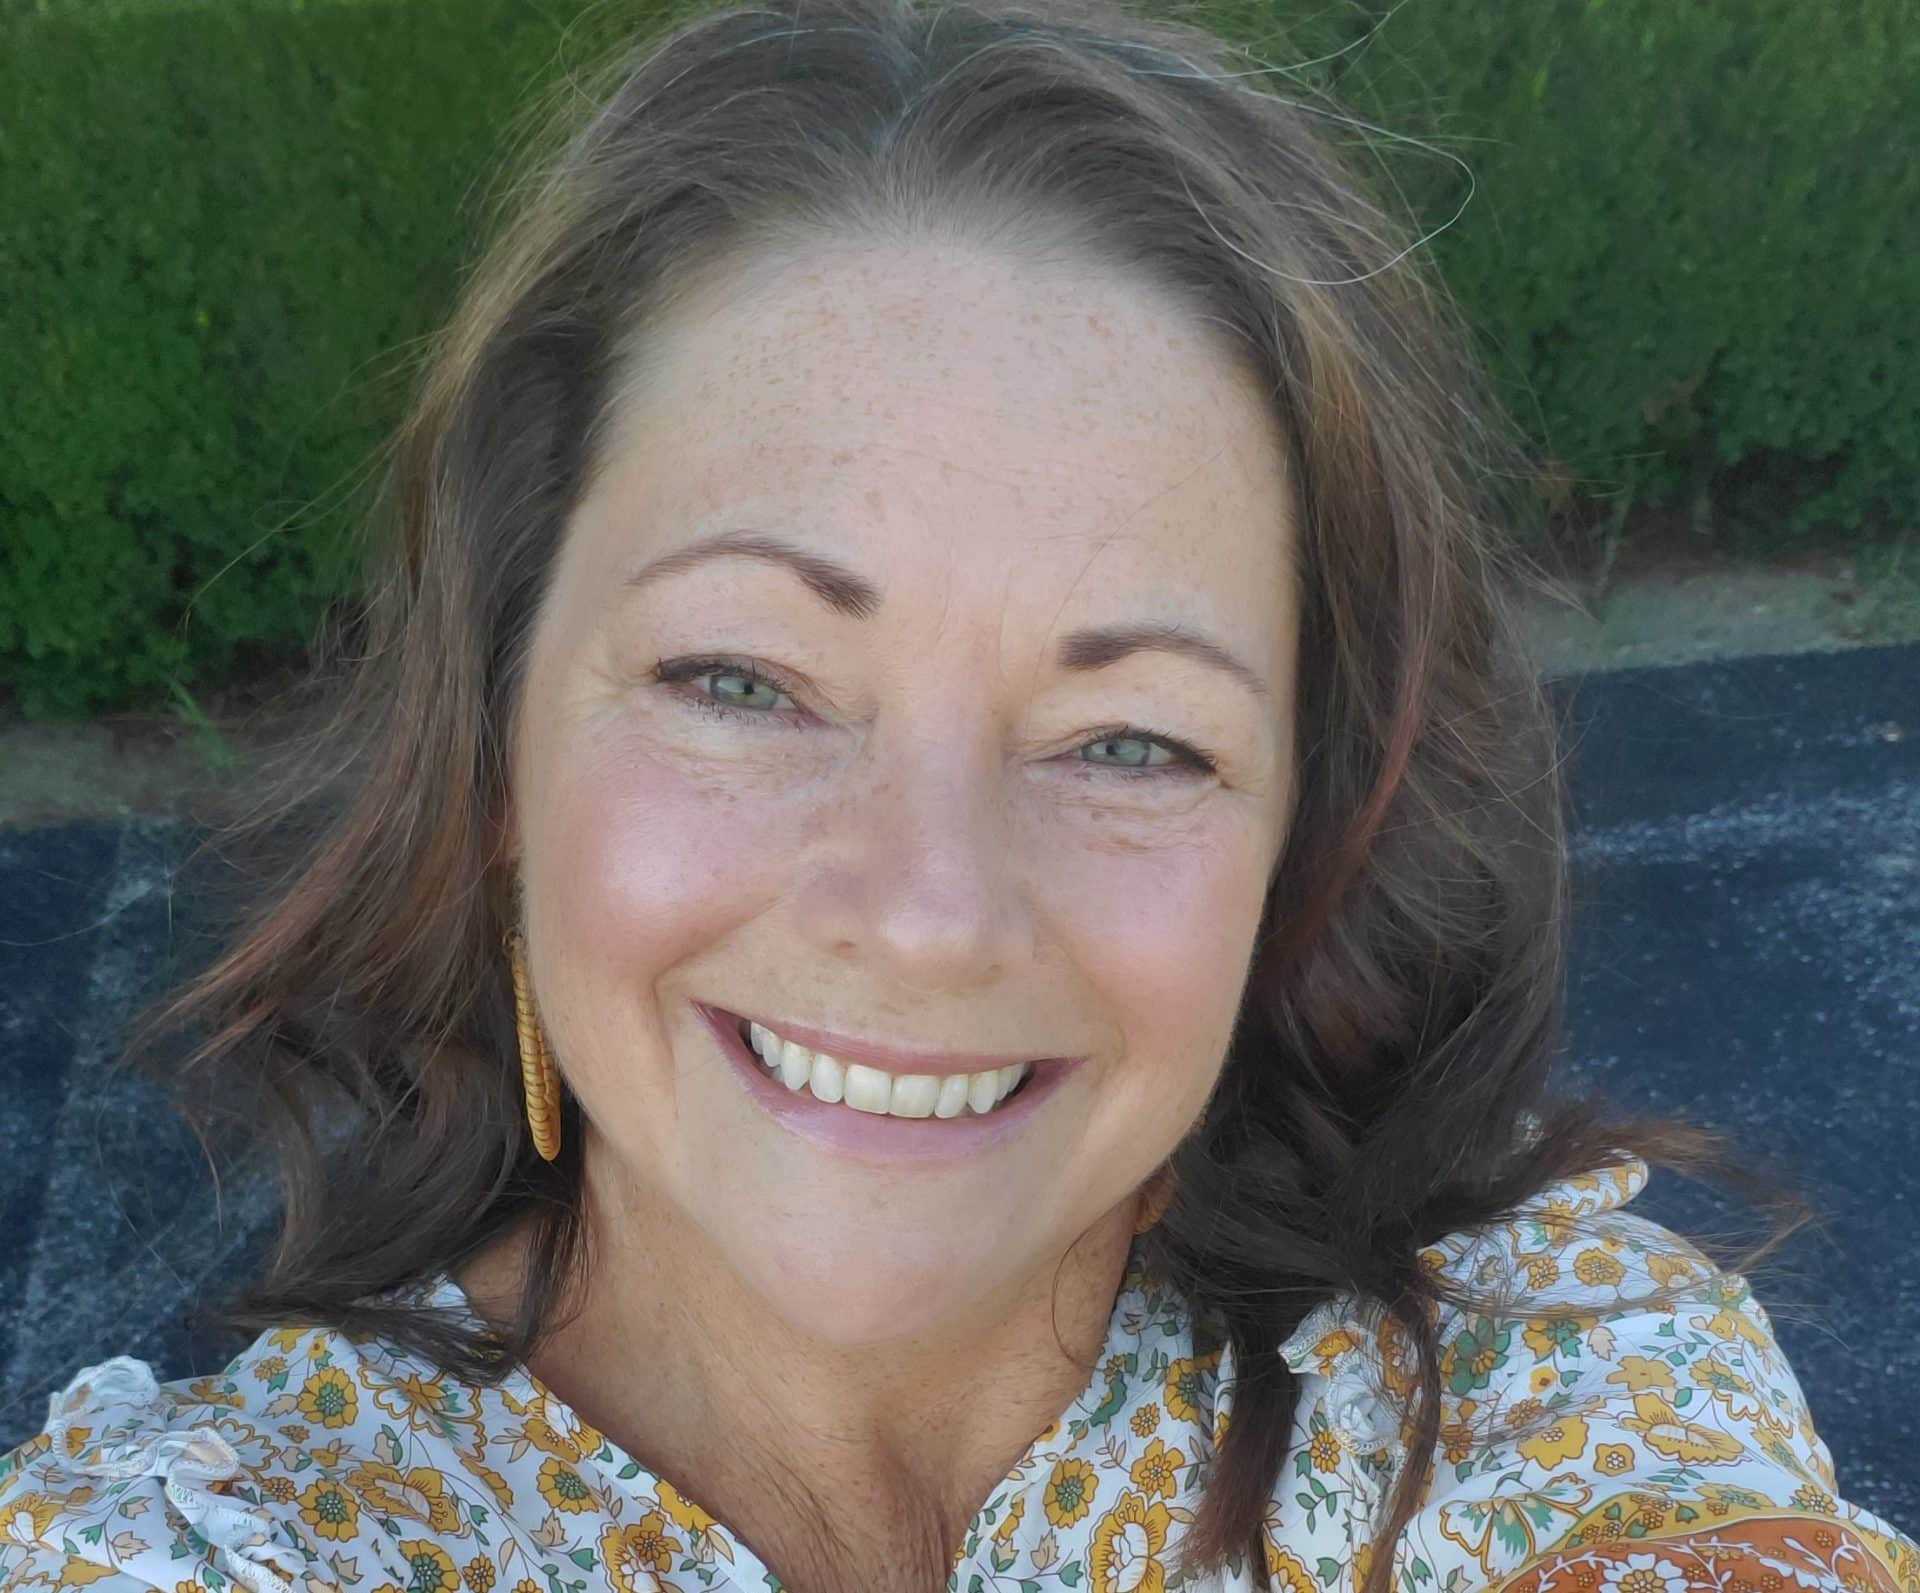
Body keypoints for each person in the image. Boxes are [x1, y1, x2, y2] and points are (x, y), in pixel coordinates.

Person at [4, 0, 1916, 1589]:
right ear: (498, 741)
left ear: (1300, 835)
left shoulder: (1528, 1391)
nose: (927, 911)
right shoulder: (203, 1544)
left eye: (1133, 739)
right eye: (741, 680)